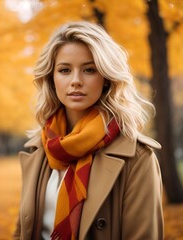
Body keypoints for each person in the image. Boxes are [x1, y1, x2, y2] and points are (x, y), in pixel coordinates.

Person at [14, 21, 164, 240]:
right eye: (65, 70)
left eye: (89, 70)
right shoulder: (41, 149)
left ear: (105, 78)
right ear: (51, 78)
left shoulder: (138, 158)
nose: (76, 81)